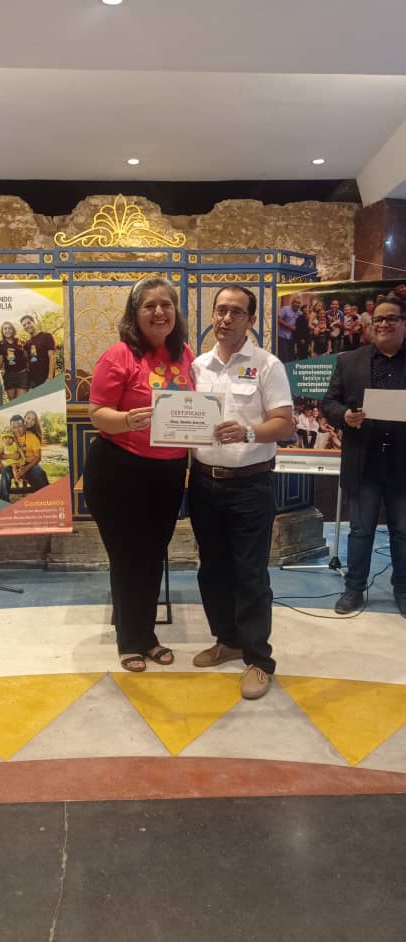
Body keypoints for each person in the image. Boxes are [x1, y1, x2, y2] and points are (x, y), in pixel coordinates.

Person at [84, 276, 194, 672]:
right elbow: (98, 413)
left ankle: (145, 634)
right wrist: (128, 419)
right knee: (129, 556)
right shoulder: (118, 355)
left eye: (166, 304)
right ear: (135, 313)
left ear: (175, 312)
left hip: (167, 471)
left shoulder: (186, 355)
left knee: (152, 555)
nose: (159, 312)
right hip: (119, 469)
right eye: (149, 306)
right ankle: (130, 640)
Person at [188, 285, 293, 700]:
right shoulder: (197, 366)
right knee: (212, 569)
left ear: (250, 319)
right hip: (203, 481)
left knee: (251, 574)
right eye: (220, 310)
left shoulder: (268, 366)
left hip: (250, 483)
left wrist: (249, 430)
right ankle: (227, 640)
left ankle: (257, 660)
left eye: (236, 312)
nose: (225, 318)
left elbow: (284, 423)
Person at [322, 297, 406, 617]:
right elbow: (328, 403)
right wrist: (345, 415)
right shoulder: (350, 361)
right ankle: (354, 588)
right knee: (360, 530)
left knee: (403, 531)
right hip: (364, 462)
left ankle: (403, 590)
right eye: (378, 319)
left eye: (391, 319)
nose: (383, 324)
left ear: (404, 324)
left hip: (403, 464)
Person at [0, 413, 49, 500]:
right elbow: (1, 455)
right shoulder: (9, 438)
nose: (17, 430)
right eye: (14, 427)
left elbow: (38, 457)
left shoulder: (32, 437)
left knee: (39, 472)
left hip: (30, 465)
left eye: (19, 426)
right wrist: (15, 457)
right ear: (11, 428)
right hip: (14, 465)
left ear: (24, 426)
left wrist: (25, 469)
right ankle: (3, 499)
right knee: (5, 471)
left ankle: (48, 495)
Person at [20, 315, 56, 388]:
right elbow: (26, 360)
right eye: (24, 325)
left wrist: (50, 377)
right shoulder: (27, 343)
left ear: (34, 322)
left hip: (46, 379)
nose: (27, 326)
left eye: (29, 323)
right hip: (33, 381)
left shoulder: (47, 336)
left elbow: (52, 357)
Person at [1, 321, 29, 400]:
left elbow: (27, 357)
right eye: (5, 329)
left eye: (9, 328)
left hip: (22, 375)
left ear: (13, 330)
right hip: (9, 376)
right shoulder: (0, 344)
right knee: (12, 402)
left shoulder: (20, 342)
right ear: (2, 331)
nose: (7, 330)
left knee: (21, 401)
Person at [277, 294, 300, 364]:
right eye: (296, 302)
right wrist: (289, 326)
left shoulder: (299, 313)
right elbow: (278, 320)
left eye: (299, 303)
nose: (297, 304)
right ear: (292, 303)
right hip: (283, 337)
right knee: (284, 358)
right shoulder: (285, 309)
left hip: (292, 339)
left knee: (291, 358)